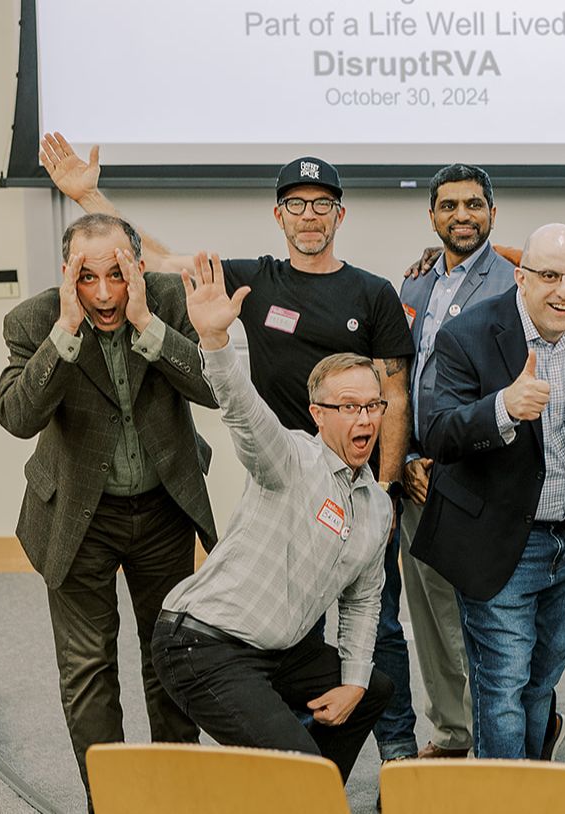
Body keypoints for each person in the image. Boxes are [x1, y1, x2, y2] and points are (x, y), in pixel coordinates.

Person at [38, 135, 419, 759]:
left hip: (357, 486)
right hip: (282, 472)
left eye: (322, 204)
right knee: (286, 621)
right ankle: (285, 752)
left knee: (375, 623)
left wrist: (384, 489)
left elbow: (394, 397)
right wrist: (89, 198)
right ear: (279, 215)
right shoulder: (256, 279)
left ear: (340, 214)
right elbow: (155, 258)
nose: (309, 215)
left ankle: (395, 751)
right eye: (296, 204)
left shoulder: (371, 292)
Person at [410, 223, 565, 760]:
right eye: (549, 276)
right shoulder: (468, 334)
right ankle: (508, 791)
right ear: (521, 278)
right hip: (496, 537)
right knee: (503, 684)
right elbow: (437, 431)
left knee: (543, 678)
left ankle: (529, 775)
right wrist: (502, 408)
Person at [0, 214, 217, 808]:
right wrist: (65, 332)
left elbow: (213, 387)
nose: (102, 293)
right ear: (67, 276)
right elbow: (17, 418)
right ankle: (112, 800)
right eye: (86, 277)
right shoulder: (34, 321)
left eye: (116, 275)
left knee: (169, 652)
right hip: (77, 513)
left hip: (163, 509)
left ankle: (178, 798)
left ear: (138, 269)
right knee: (88, 667)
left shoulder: (171, 300)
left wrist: (147, 323)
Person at [152, 253, 394, 783]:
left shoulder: (377, 506)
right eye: (348, 406)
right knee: (299, 770)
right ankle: (300, 787)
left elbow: (363, 600)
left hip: (277, 654)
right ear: (318, 415)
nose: (364, 418)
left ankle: (302, 792)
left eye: (372, 406)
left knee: (374, 688)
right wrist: (215, 342)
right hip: (202, 643)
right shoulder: (289, 459)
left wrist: (353, 681)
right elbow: (244, 411)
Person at [394, 163, 516, 760]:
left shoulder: (513, 284)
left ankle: (508, 731)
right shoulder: (415, 285)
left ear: (492, 213)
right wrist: (406, 456)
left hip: (476, 478)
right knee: (429, 616)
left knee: (484, 619)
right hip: (417, 475)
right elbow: (402, 377)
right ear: (432, 216)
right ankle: (451, 732)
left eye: (473, 204)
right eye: (449, 205)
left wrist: (444, 459)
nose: (461, 215)